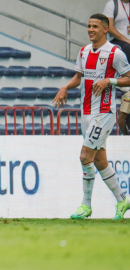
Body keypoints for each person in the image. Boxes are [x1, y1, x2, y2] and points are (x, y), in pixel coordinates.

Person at [53, 14, 130, 220]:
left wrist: (110, 81)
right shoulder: (83, 51)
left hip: (103, 112)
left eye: (95, 26)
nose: (90, 29)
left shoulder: (115, 53)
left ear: (106, 29)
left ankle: (86, 205)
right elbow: (79, 77)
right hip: (85, 112)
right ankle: (123, 199)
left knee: (85, 156)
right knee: (99, 160)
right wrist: (65, 87)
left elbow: (129, 79)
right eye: (88, 26)